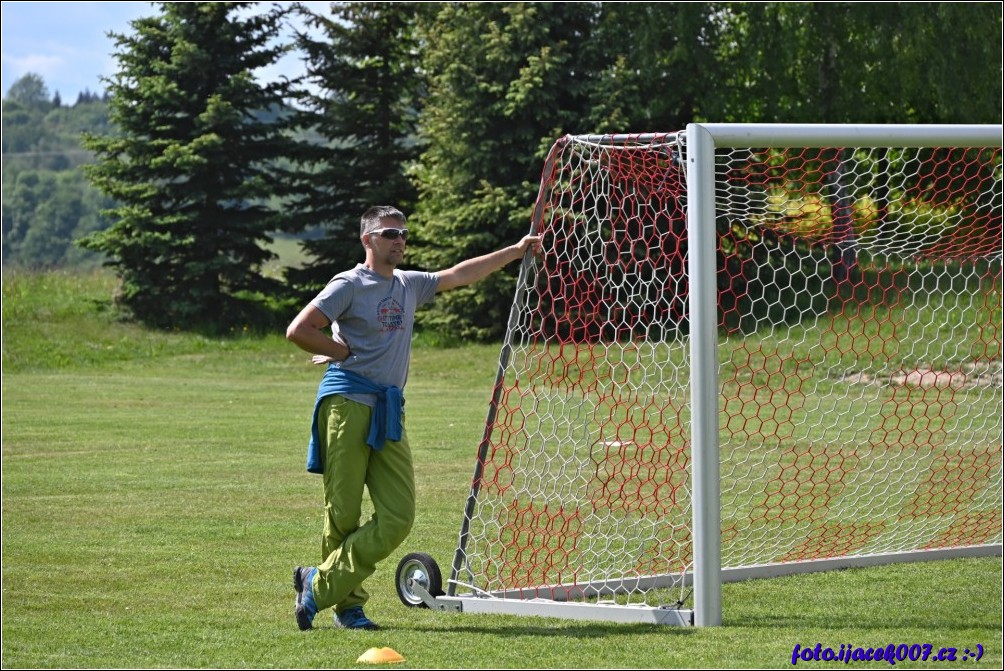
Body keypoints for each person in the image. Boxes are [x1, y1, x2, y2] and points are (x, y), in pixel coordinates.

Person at [285, 205, 542, 631]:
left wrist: (514, 252)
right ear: (368, 239)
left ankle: (317, 582)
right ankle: (348, 608)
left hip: (388, 409)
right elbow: (299, 329)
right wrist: (341, 352)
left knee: (398, 516)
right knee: (343, 514)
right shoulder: (348, 284)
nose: (400, 240)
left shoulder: (408, 284)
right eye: (390, 233)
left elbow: (458, 274)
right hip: (347, 404)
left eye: (404, 233)